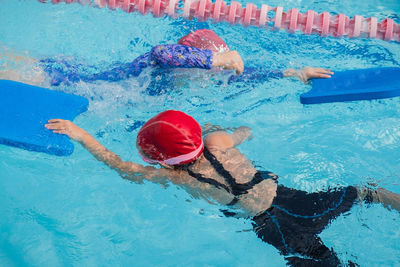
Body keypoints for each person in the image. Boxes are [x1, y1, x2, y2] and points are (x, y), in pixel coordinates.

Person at [45, 110, 400, 267]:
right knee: (364, 192)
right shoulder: (216, 141)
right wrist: (227, 130)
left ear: (160, 161)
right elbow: (246, 130)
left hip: (272, 228)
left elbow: (120, 167)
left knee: (322, 263)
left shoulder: (176, 177)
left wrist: (81, 135)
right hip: (292, 198)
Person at [0, 29, 333, 91]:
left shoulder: (205, 74)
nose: (211, 78)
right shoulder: (159, 65)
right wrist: (213, 60)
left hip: (75, 71)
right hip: (64, 79)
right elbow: (163, 51)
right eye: (208, 68)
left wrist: (294, 73)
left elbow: (249, 75)